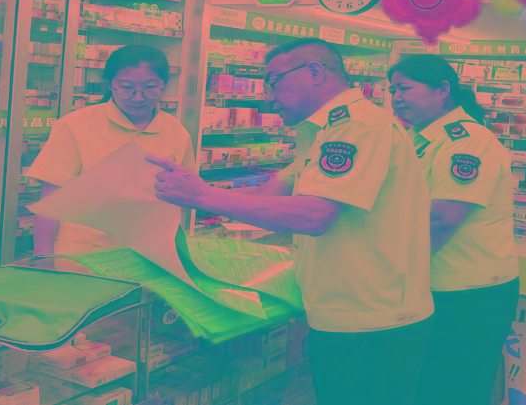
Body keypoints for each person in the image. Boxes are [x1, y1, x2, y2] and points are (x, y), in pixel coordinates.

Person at [150, 38, 434, 405]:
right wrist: (191, 191)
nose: (269, 97)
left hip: (373, 321)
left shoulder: (357, 126)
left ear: (314, 72)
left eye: (273, 81)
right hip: (350, 312)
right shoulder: (325, 129)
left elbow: (315, 215)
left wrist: (202, 196)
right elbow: (271, 194)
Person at [388, 54, 519, 405]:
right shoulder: (420, 138)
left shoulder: (468, 141)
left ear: (442, 89)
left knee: (456, 389)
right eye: (392, 90)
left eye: (404, 88)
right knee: (430, 385)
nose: (396, 97)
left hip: (470, 295)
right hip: (438, 285)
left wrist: (391, 269)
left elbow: (442, 219)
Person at [28, 45, 195, 255]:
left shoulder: (176, 131)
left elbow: (185, 195)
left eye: (151, 88)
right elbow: (50, 203)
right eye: (126, 88)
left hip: (152, 254)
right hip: (84, 254)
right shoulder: (75, 125)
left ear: (164, 85)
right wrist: (42, 258)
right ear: (110, 84)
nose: (138, 97)